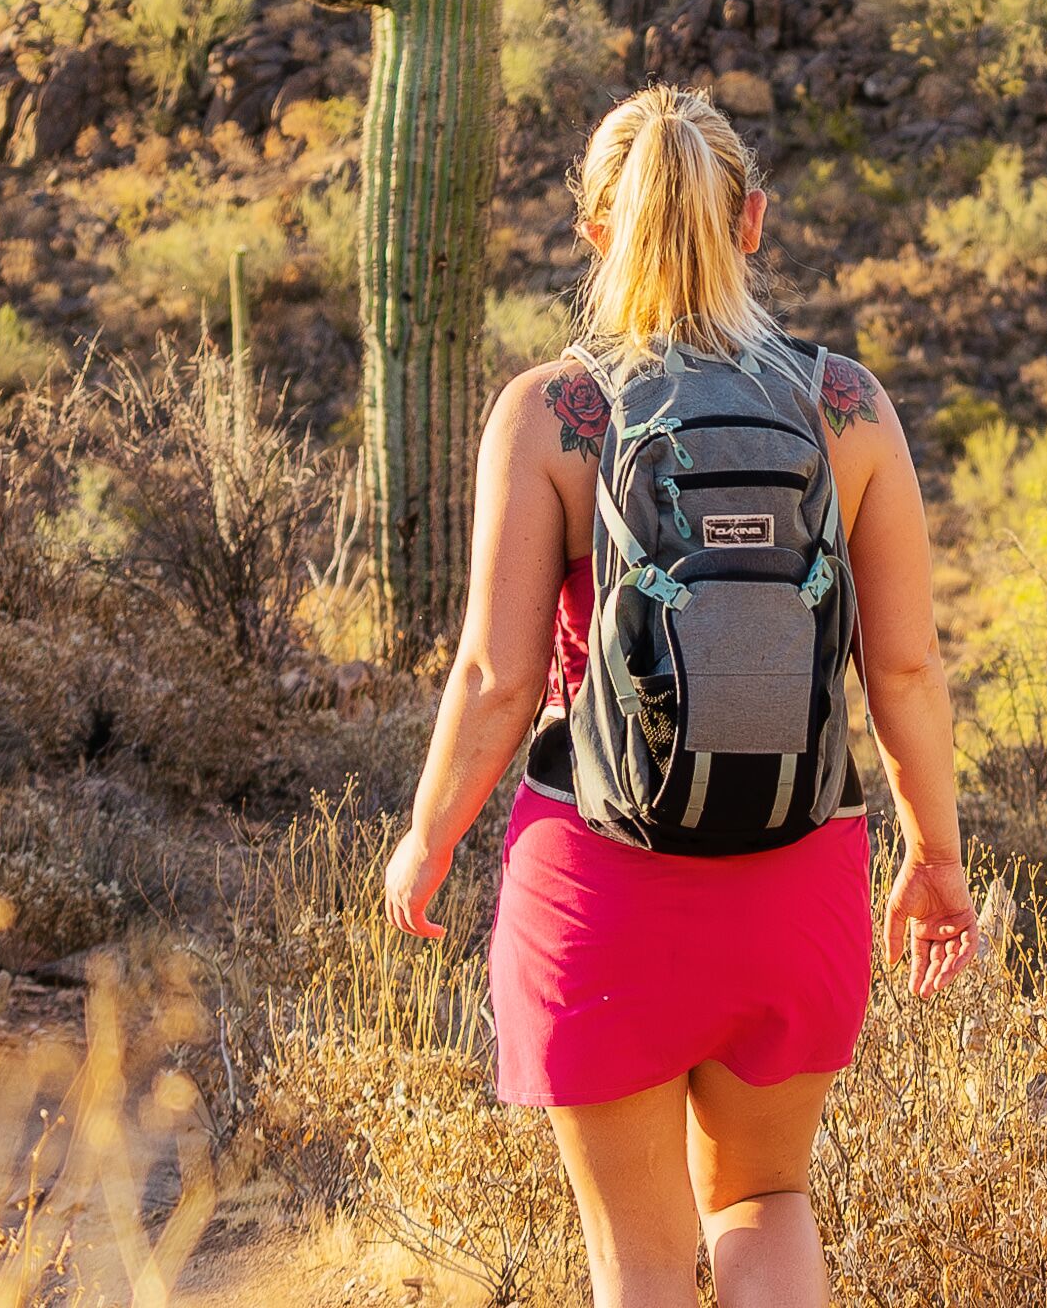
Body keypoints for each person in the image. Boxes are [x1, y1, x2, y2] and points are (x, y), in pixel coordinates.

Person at [386, 84, 979, 1306]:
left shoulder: (553, 415)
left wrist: (425, 840)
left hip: (599, 882)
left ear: (595, 231)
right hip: (799, 874)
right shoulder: (847, 406)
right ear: (750, 221)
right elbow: (906, 668)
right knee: (765, 1202)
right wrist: (935, 856)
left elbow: (497, 678)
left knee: (642, 1261)